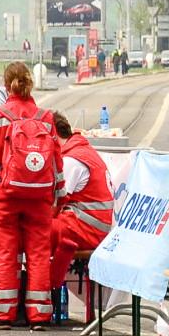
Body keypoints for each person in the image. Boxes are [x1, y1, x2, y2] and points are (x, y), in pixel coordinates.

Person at [0, 61, 62, 329]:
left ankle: (3, 314)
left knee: (4, 254)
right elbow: (57, 161)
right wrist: (59, 196)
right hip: (40, 198)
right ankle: (39, 315)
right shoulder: (46, 118)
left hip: (3, 196)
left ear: (6, 82)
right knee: (39, 255)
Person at [47, 113, 113, 292]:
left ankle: (44, 288)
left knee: (34, 233)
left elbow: (55, 203)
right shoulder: (83, 151)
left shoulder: (70, 161)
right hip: (95, 226)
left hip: (85, 228)